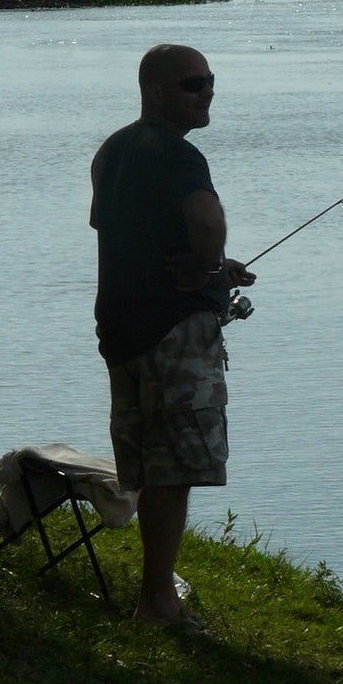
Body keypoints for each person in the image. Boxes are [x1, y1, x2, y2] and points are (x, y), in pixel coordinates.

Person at [89, 43, 255, 629]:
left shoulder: (113, 151)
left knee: (149, 465)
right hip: (173, 335)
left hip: (121, 330)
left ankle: (152, 597)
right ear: (156, 90)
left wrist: (212, 263)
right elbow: (205, 221)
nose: (207, 91)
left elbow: (140, 235)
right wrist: (210, 268)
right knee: (175, 467)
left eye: (210, 80)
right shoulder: (181, 158)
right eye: (193, 84)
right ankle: (158, 601)